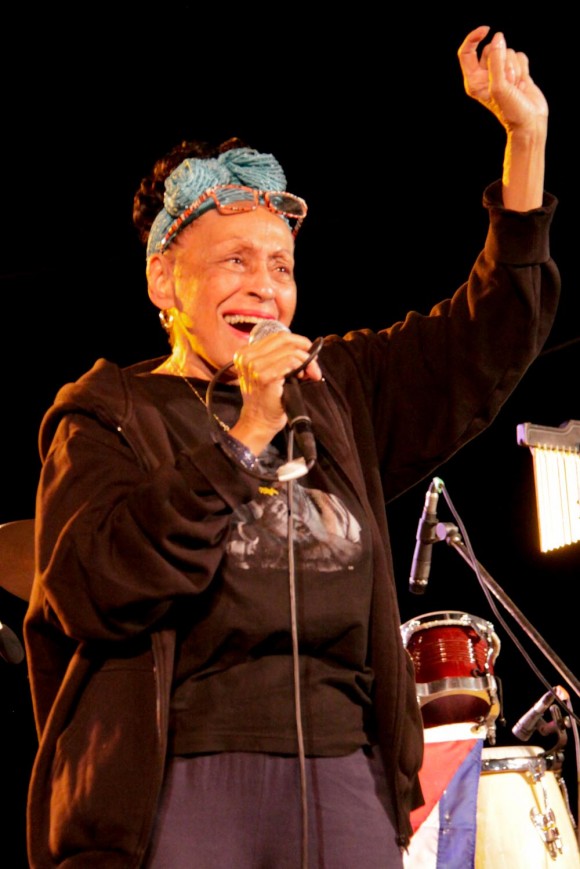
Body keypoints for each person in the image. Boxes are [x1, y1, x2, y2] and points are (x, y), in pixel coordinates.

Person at [23, 25, 560, 869]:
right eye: (235, 260)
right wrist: (244, 437)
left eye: (280, 264)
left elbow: (486, 336)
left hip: (342, 773)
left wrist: (525, 140)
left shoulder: (334, 389)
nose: (265, 287)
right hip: (184, 777)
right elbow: (92, 584)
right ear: (165, 281)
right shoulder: (109, 412)